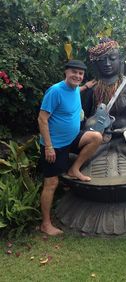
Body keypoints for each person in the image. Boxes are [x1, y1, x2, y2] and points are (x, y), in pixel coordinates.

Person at [38, 59, 103, 235]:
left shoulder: (75, 89)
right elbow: (42, 119)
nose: (77, 76)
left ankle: (74, 169)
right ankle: (45, 223)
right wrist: (49, 147)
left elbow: (77, 90)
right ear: (66, 72)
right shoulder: (55, 91)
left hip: (72, 139)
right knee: (51, 183)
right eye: (74, 72)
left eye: (80, 73)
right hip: (55, 145)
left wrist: (87, 86)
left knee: (96, 137)